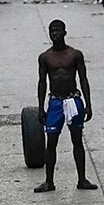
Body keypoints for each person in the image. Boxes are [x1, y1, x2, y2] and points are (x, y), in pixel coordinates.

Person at [34, 20, 97, 193]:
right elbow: (42, 82)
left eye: (58, 30)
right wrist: (40, 107)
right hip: (55, 102)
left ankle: (82, 179)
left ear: (64, 32)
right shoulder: (45, 57)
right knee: (51, 141)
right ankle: (49, 181)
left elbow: (83, 79)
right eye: (52, 31)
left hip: (73, 100)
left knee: (77, 140)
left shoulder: (75, 54)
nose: (55, 34)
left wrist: (88, 104)